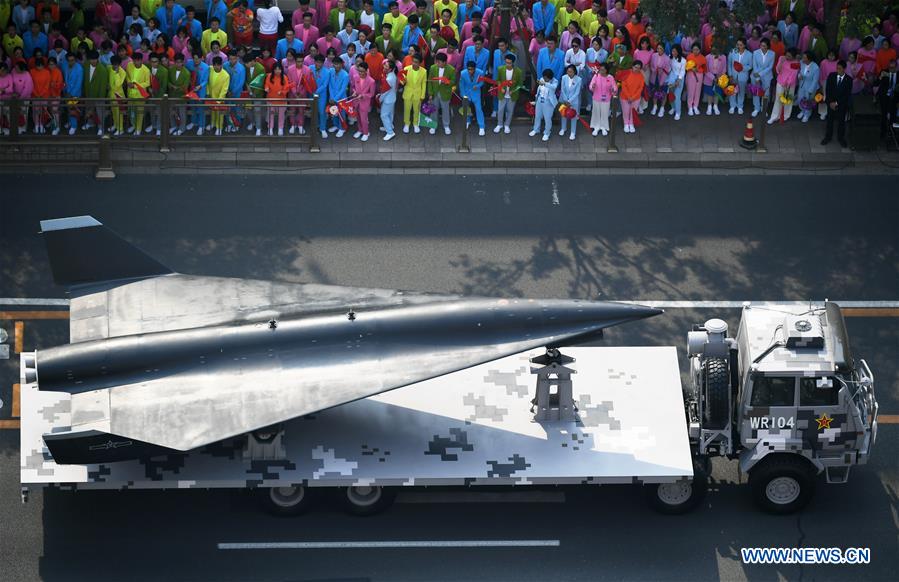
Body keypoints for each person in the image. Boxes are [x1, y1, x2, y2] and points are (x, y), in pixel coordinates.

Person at [821, 60, 851, 147]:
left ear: (844, 69)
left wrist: (837, 103)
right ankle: (828, 137)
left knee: (841, 121)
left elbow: (846, 94)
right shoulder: (831, 76)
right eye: (837, 68)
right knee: (829, 121)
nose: (838, 70)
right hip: (831, 103)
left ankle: (841, 138)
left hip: (841, 104)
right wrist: (830, 102)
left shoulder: (849, 80)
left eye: (840, 69)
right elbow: (828, 90)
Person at [768, 48, 798, 124]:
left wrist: (788, 83)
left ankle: (785, 115)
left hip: (790, 84)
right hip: (780, 81)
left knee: (788, 100)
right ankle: (774, 116)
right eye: (787, 55)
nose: (787, 57)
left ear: (793, 57)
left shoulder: (796, 63)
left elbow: (793, 74)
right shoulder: (782, 58)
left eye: (789, 56)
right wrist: (781, 62)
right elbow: (778, 69)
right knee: (778, 99)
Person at [428, 50, 454, 135]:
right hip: (435, 92)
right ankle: (433, 125)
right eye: (436, 61)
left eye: (439, 62)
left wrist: (447, 82)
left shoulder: (451, 69)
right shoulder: (433, 68)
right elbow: (430, 81)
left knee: (445, 110)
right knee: (433, 109)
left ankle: (446, 125)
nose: (437, 63)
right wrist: (430, 93)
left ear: (444, 62)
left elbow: (453, 81)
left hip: (445, 93)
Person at [493, 52, 520, 135]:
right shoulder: (501, 69)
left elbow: (520, 85)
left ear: (513, 63)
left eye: (509, 63)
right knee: (500, 110)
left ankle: (507, 125)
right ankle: (499, 124)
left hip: (512, 95)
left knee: (510, 110)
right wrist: (501, 87)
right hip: (502, 93)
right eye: (506, 62)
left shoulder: (518, 71)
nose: (508, 64)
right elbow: (498, 80)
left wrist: (514, 90)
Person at [81, 49, 107, 134]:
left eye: (95, 59)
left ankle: (101, 127)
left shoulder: (102, 69)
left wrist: (101, 97)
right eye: (91, 59)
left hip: (99, 95)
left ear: (98, 59)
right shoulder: (86, 66)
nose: (93, 61)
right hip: (89, 93)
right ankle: (90, 123)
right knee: (89, 109)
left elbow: (103, 86)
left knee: (100, 112)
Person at [529, 68, 557, 141]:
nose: (544, 79)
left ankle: (547, 132)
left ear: (550, 78)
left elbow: (553, 87)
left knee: (547, 118)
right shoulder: (542, 79)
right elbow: (538, 91)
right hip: (539, 101)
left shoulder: (554, 81)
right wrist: (535, 101)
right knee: (537, 116)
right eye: (544, 77)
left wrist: (545, 83)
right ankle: (536, 129)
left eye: (546, 78)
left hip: (548, 103)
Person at [126, 52, 150, 134]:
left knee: (139, 113)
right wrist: (128, 82)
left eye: (137, 61)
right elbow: (127, 76)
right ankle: (133, 125)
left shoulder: (146, 70)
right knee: (131, 112)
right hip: (130, 94)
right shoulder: (129, 65)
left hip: (140, 95)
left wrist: (135, 86)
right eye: (134, 61)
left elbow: (147, 83)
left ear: (141, 60)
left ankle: (138, 129)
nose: (135, 63)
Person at [458, 59, 484, 135]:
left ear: (475, 68)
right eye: (469, 69)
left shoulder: (480, 73)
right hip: (466, 93)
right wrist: (463, 95)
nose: (470, 71)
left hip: (476, 93)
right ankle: (467, 121)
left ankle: (481, 126)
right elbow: (461, 85)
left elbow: (482, 82)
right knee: (466, 109)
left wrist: (478, 86)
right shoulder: (463, 73)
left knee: (479, 109)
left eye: (472, 69)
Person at [588, 61, 615, 135]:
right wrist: (592, 86)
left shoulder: (610, 77)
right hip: (596, 98)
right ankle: (596, 126)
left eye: (603, 70)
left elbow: (614, 87)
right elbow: (590, 86)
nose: (601, 71)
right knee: (596, 112)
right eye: (600, 69)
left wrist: (613, 90)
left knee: (605, 113)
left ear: (607, 70)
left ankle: (604, 127)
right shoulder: (596, 76)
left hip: (606, 99)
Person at [401, 52, 425, 133]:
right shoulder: (406, 69)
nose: (414, 63)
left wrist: (422, 95)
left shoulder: (424, 71)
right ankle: (407, 123)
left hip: (418, 93)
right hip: (408, 92)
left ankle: (415, 123)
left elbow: (424, 83)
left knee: (416, 110)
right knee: (407, 109)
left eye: (416, 62)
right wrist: (402, 81)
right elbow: (402, 81)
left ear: (420, 63)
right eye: (413, 61)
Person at [263, 61, 289, 135]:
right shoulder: (269, 76)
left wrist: (282, 92)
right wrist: (266, 88)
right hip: (271, 100)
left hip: (282, 101)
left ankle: (280, 128)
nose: (277, 71)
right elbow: (266, 84)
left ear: (281, 70)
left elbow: (287, 88)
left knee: (281, 115)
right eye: (275, 69)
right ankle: (270, 128)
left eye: (279, 69)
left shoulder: (284, 77)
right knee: (270, 115)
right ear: (273, 70)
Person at [751, 38, 774, 117]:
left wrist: (760, 74)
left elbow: (770, 67)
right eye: (761, 45)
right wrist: (757, 78)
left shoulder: (772, 54)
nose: (762, 47)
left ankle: (763, 108)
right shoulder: (755, 53)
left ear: (768, 46)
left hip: (767, 76)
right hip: (755, 75)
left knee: (766, 93)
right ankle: (756, 108)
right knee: (756, 92)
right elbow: (754, 65)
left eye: (764, 46)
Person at [167, 52, 189, 134]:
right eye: (176, 62)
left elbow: (185, 86)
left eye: (180, 62)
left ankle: (182, 128)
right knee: (171, 111)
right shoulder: (171, 70)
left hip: (181, 96)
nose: (178, 64)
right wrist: (171, 86)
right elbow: (168, 81)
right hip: (172, 95)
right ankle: (173, 126)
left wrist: (177, 88)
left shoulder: (186, 73)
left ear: (183, 62)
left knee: (182, 113)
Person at [352, 60, 374, 140]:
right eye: (359, 71)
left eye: (362, 71)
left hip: (364, 103)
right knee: (357, 117)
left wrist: (363, 96)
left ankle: (366, 132)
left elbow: (371, 94)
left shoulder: (371, 81)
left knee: (364, 119)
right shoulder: (356, 77)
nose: (360, 73)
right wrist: (354, 92)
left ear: (366, 70)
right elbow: (354, 87)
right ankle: (360, 130)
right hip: (356, 101)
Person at [619, 59, 643, 133]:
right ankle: (626, 123)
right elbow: (624, 86)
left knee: (633, 111)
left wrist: (633, 97)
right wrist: (629, 96)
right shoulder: (626, 73)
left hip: (636, 98)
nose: (637, 69)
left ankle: (631, 123)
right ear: (632, 66)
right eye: (635, 67)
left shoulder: (641, 76)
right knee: (626, 111)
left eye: (639, 68)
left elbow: (640, 88)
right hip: (625, 97)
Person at [876, 59, 898, 138]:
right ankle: (883, 132)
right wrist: (881, 77)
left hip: (895, 98)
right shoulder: (884, 72)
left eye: (892, 68)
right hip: (884, 97)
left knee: (893, 115)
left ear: (896, 67)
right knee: (884, 115)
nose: (890, 69)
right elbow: (876, 83)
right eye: (889, 67)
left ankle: (892, 132)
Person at [208, 54, 229, 135]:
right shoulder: (210, 69)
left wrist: (219, 100)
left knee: (220, 114)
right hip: (211, 96)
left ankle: (219, 127)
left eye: (218, 65)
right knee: (213, 111)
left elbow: (224, 89)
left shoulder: (226, 75)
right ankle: (213, 124)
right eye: (214, 65)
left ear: (221, 65)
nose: (216, 67)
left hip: (220, 98)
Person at [795, 50, 819, 123]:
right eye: (803, 57)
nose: (803, 59)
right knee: (800, 99)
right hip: (802, 85)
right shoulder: (802, 63)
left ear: (810, 59)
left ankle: (807, 114)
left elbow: (815, 81)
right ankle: (802, 111)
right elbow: (799, 71)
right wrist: (799, 75)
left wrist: (810, 91)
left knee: (808, 102)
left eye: (805, 58)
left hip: (810, 87)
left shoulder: (816, 67)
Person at [559, 64, 581, 140]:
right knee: (563, 114)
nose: (569, 73)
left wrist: (570, 100)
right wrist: (565, 100)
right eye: (568, 71)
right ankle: (563, 128)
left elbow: (577, 92)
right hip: (564, 100)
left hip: (573, 101)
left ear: (574, 72)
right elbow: (562, 89)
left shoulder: (579, 79)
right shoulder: (564, 77)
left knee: (573, 116)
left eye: (571, 72)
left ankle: (573, 132)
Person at [327, 56, 348, 135]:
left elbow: (343, 89)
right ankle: (336, 125)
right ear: (333, 64)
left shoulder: (345, 75)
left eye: (339, 64)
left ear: (342, 64)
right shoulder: (331, 71)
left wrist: (335, 99)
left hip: (341, 98)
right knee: (334, 112)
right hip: (332, 96)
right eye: (335, 64)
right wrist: (332, 97)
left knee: (341, 113)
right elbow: (330, 85)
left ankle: (342, 128)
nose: (337, 66)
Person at [107, 54, 127, 135]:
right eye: (114, 64)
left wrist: (117, 73)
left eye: (117, 64)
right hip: (111, 94)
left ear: (120, 64)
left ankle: (120, 129)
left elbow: (118, 84)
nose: (115, 66)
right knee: (113, 112)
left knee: (119, 113)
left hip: (118, 95)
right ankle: (115, 125)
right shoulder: (109, 68)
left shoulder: (122, 72)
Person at [685, 42, 706, 116]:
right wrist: (691, 68)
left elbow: (704, 69)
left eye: (697, 49)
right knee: (691, 91)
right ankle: (690, 106)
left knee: (698, 91)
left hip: (699, 75)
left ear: (699, 50)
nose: (695, 51)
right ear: (692, 50)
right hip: (691, 75)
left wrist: (698, 69)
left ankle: (695, 106)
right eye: (694, 49)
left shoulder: (703, 58)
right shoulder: (689, 57)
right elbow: (686, 67)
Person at [704, 44, 725, 115]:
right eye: (713, 47)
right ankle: (709, 106)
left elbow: (724, 69)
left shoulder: (723, 57)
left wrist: (719, 77)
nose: (714, 49)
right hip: (709, 77)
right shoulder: (707, 57)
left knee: (717, 92)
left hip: (719, 77)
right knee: (710, 92)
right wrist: (713, 78)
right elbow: (706, 70)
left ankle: (715, 106)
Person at [379, 57, 397, 140]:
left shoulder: (389, 78)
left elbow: (384, 92)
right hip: (391, 98)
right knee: (389, 113)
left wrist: (379, 99)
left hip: (388, 99)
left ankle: (390, 132)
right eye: (385, 65)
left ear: (390, 69)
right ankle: (390, 125)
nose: (384, 67)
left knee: (383, 115)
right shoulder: (392, 75)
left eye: (386, 66)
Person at [667, 45, 685, 120]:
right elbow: (669, 67)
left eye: (675, 51)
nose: (673, 52)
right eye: (672, 51)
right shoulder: (670, 57)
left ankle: (678, 112)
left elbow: (682, 71)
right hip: (671, 77)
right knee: (670, 94)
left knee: (677, 96)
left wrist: (679, 79)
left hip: (679, 79)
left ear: (678, 51)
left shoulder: (683, 60)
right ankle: (673, 108)